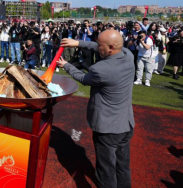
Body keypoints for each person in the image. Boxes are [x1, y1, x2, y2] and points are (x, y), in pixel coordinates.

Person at [56, 30, 135, 188]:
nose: (97, 47)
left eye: (100, 45)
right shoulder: (128, 55)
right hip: (126, 124)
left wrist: (66, 65)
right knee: (122, 166)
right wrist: (78, 43)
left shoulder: (101, 69)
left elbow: (83, 78)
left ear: (111, 47)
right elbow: (100, 46)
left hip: (108, 128)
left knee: (105, 170)